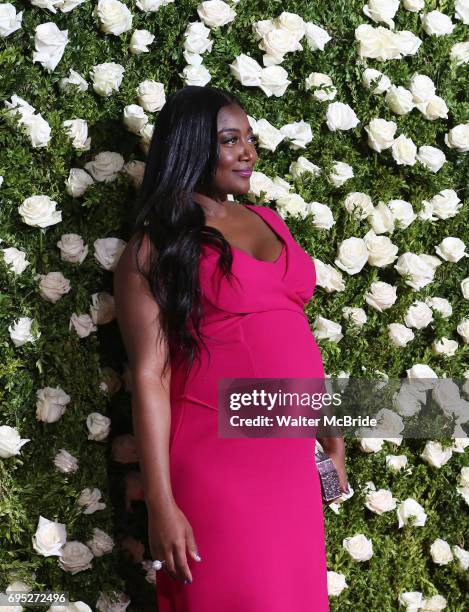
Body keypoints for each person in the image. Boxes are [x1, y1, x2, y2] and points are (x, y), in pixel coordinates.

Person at [113, 85, 349, 612]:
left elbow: (296, 340)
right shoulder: (154, 248)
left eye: (249, 139)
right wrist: (161, 502)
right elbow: (150, 377)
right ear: (192, 147)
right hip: (219, 458)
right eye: (229, 140)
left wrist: (331, 438)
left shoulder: (268, 220)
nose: (248, 152)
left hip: (288, 455)